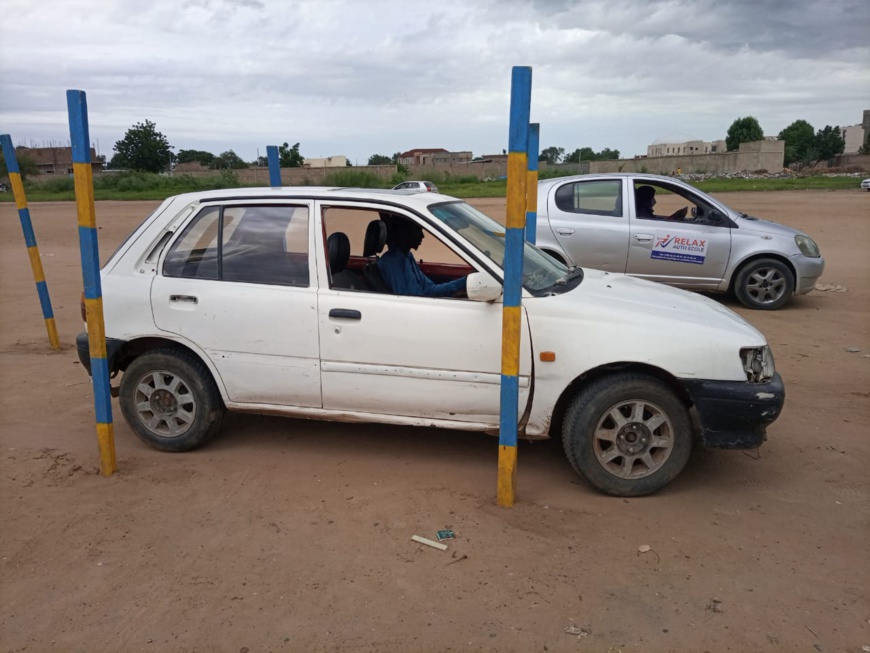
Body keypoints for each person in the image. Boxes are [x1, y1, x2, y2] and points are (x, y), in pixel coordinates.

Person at [378, 219, 468, 297]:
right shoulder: (393, 261)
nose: (422, 235)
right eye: (418, 230)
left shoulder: (407, 256)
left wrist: (463, 282)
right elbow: (405, 301)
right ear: (404, 232)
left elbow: (430, 290)